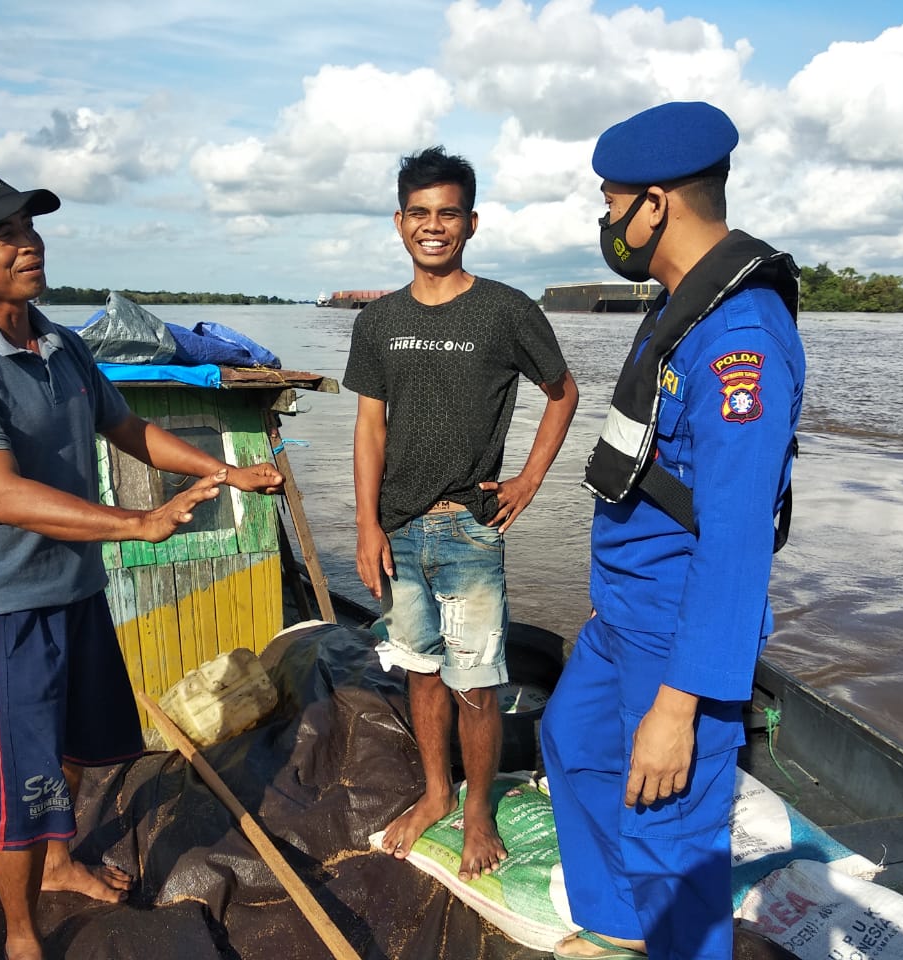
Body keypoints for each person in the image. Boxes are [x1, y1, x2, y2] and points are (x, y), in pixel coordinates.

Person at [0, 164, 285, 960]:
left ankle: (57, 864)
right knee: (24, 782)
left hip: (75, 589)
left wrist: (222, 472)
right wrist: (136, 523)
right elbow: (2, 495)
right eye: (0, 235)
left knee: (79, 748)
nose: (25, 245)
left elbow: (128, 429)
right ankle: (19, 935)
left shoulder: (61, 344)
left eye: (29, 228)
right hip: (5, 608)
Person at [541, 102, 805, 960]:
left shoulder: (739, 337)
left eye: (613, 202)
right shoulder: (678, 306)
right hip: (627, 613)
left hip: (676, 628)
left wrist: (680, 704)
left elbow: (735, 542)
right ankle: (625, 928)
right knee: (572, 741)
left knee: (668, 833)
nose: (606, 220)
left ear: (655, 205)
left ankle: (678, 936)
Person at [344, 146, 579, 882]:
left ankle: (478, 813)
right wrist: (364, 525)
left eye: (448, 213)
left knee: (476, 681)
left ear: (471, 222)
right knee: (419, 670)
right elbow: (369, 428)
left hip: (469, 525)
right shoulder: (378, 322)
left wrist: (530, 480)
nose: (433, 226)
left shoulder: (507, 310)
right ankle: (437, 792)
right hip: (399, 528)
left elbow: (562, 390)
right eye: (420, 213)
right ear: (399, 222)